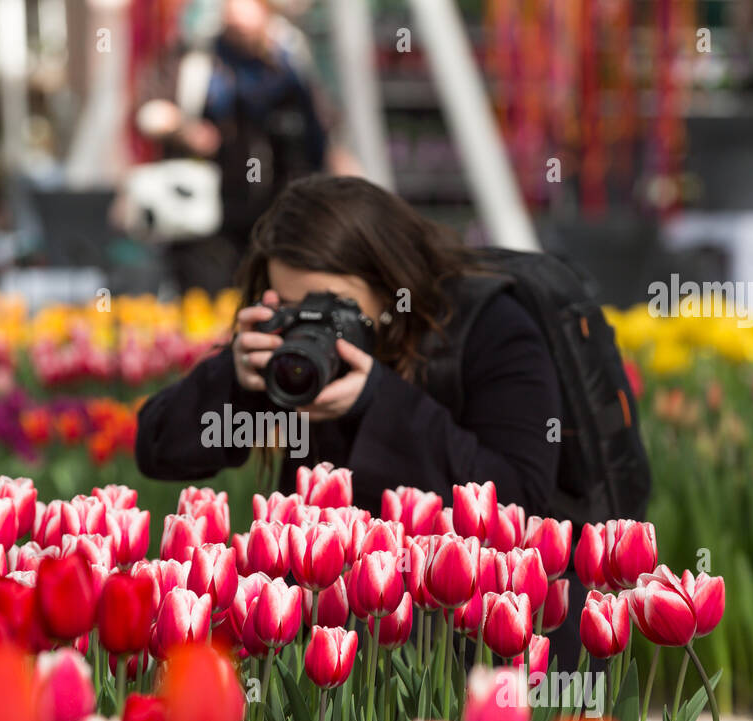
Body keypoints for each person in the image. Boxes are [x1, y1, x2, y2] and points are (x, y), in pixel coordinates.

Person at [135, 175, 589, 664]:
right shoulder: (294, 359)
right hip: (330, 638)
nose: (307, 322)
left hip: (467, 646)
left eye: (327, 306)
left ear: (392, 282)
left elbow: (517, 499)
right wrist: (235, 377)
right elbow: (158, 451)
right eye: (287, 305)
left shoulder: (495, 331)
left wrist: (380, 401)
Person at [134, 0, 355, 294]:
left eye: (248, 28)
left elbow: (319, 126)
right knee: (210, 301)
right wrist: (186, 130)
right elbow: (148, 112)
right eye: (234, 27)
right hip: (211, 217)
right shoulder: (198, 60)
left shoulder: (288, 63)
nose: (242, 35)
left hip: (276, 210)